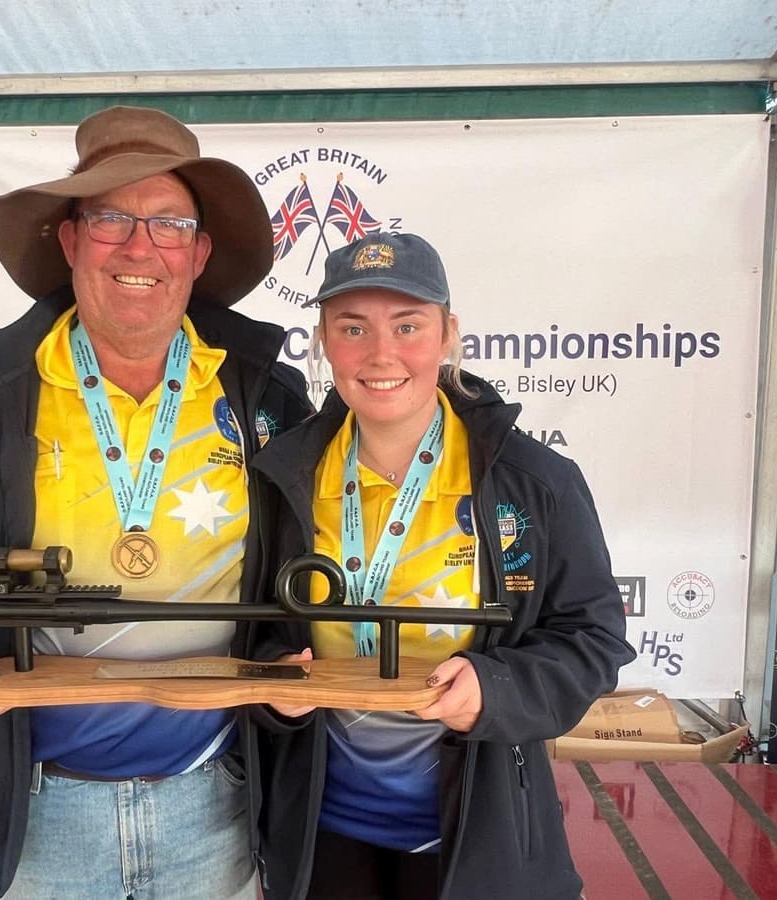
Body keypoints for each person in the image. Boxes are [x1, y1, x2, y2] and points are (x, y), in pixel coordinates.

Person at [0, 105, 312, 900]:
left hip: (216, 804)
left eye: (169, 223)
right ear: (69, 241)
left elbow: (303, 572)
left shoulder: (267, 395)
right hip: (35, 813)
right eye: (110, 219)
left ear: (199, 253)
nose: (141, 248)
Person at [250, 232, 635, 900]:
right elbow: (255, 636)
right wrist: (277, 694)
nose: (381, 354)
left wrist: (497, 686)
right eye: (352, 328)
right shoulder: (284, 477)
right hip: (323, 835)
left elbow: (593, 638)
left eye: (408, 325)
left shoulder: (532, 480)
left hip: (479, 839)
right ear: (321, 340)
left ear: (449, 332)